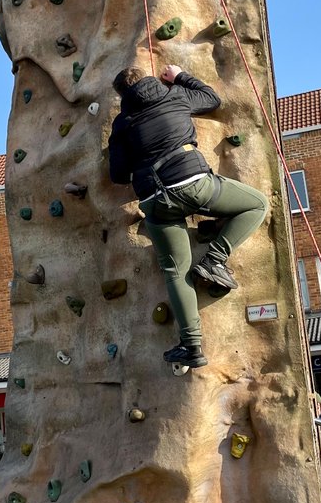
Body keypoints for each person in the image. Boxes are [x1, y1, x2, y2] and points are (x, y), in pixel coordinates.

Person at [107, 63, 269, 369]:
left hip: (157, 200)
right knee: (257, 204)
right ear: (151, 79)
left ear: (122, 96)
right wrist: (180, 75)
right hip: (194, 184)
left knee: (176, 273)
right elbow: (212, 98)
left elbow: (117, 174)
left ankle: (192, 347)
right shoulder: (175, 96)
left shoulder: (122, 123)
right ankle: (214, 259)